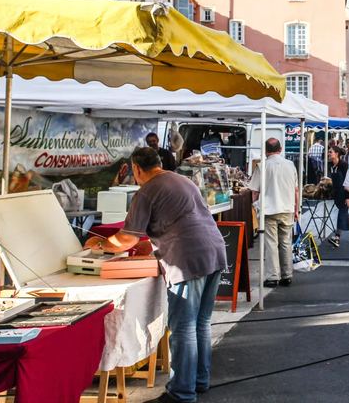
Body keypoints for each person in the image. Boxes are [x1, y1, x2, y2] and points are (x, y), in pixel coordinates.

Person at [84, 147, 226, 403]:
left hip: (186, 259)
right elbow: (178, 220)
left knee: (183, 327)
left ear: (136, 168)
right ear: (159, 162)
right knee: (201, 323)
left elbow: (126, 239)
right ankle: (199, 381)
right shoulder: (181, 179)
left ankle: (182, 392)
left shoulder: (147, 190)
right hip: (214, 251)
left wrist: (100, 245)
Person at [250, 138, 299, 287]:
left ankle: (272, 276)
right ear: (281, 149)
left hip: (269, 210)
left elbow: (254, 191)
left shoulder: (262, 166)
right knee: (285, 242)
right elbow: (296, 190)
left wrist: (255, 206)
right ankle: (287, 274)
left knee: (271, 244)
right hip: (287, 208)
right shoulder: (290, 165)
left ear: (265, 150)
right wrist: (296, 209)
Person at [327, 145, 349, 247]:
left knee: (341, 214)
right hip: (336, 193)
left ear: (336, 154)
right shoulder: (330, 164)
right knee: (344, 215)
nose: (328, 153)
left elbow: (347, 182)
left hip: (345, 192)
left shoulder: (344, 165)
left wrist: (348, 197)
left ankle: (337, 238)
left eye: (330, 152)